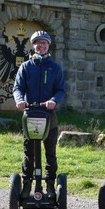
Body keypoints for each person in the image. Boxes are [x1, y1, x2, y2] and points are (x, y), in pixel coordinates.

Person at [13, 30, 67, 200]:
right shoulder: (26, 66)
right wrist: (20, 100)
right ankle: (27, 183)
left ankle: (50, 184)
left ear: (48, 46)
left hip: (49, 115)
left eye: (43, 43)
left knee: (50, 152)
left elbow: (60, 90)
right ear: (33, 45)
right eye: (37, 42)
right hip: (30, 115)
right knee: (29, 152)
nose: (40, 45)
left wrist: (54, 100)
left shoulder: (55, 68)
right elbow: (18, 88)